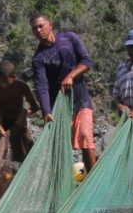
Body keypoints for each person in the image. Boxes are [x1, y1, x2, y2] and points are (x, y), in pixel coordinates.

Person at [29, 14, 97, 172]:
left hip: (81, 99)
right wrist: (46, 111)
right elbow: (42, 87)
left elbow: (86, 61)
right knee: (60, 145)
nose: (38, 30)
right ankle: (61, 178)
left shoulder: (69, 38)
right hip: (59, 106)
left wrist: (71, 75)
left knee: (86, 137)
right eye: (34, 28)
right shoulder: (38, 59)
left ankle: (92, 177)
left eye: (41, 26)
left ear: (50, 24)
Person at [0, 60, 40, 163]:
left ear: (14, 77)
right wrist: (1, 131)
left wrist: (25, 113)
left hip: (19, 124)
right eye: (0, 81)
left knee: (24, 155)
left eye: (6, 81)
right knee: (1, 159)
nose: (3, 85)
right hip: (3, 124)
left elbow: (35, 107)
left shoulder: (21, 86)